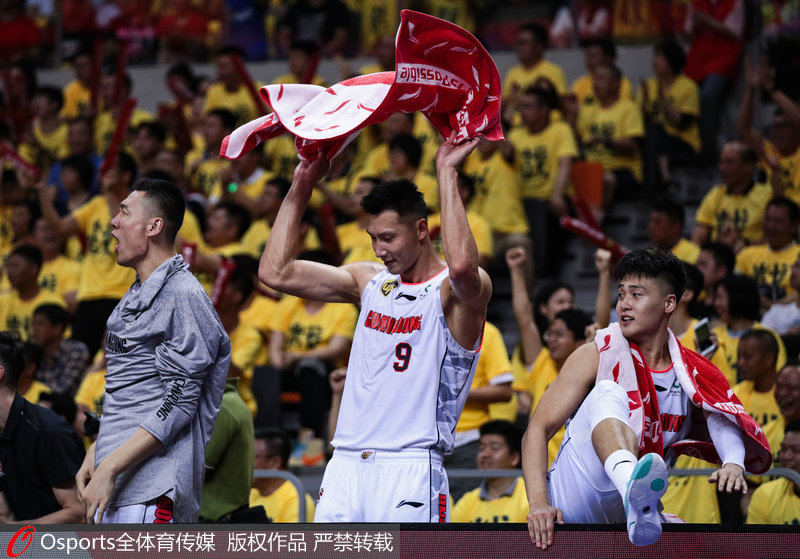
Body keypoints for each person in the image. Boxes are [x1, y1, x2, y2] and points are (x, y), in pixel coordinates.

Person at [258, 132, 491, 522]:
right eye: (372, 238)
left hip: (410, 464)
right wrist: (302, 182)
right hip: (346, 463)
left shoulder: (453, 292)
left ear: (421, 230)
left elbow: (465, 268)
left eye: (388, 238)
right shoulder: (368, 280)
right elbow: (274, 272)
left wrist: (446, 172)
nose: (379, 250)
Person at [522, 248, 771, 548]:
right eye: (621, 294)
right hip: (572, 494)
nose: (624, 305)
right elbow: (537, 429)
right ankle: (633, 490)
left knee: (688, 541)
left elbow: (719, 417)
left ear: (669, 303)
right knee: (608, 390)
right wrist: (538, 503)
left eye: (636, 295)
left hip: (628, 517)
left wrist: (733, 463)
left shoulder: (690, 372)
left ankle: (640, 505)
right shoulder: (597, 353)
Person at [75, 179, 231, 524]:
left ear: (154, 226)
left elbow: (179, 401)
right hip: (117, 483)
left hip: (153, 490)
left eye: (124, 212)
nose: (113, 223)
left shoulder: (183, 295)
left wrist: (110, 466)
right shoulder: (135, 295)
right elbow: (134, 394)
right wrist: (99, 451)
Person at [0, 331, 85, 523]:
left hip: (61, 548)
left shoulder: (49, 431)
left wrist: (12, 535)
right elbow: (4, 513)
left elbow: (77, 513)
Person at [692, 141, 772, 251]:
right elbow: (697, 239)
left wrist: (746, 243)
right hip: (718, 260)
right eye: (721, 162)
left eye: (730, 162)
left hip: (752, 259)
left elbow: (778, 239)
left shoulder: (767, 194)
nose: (722, 168)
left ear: (748, 166)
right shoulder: (715, 193)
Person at [451, 420, 528, 523]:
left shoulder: (528, 497)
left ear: (514, 458)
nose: (485, 454)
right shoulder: (468, 501)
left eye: (494, 448)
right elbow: (452, 537)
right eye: (481, 448)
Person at [735, 196, 800, 309]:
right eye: (768, 219)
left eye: (778, 221)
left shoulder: (798, 256)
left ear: (794, 226)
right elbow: (733, 288)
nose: (771, 226)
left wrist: (771, 305)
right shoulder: (746, 254)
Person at [250, 427, 316, 522]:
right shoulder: (251, 494)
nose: (244, 463)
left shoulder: (297, 501)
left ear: (275, 463)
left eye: (252, 456)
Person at [746, 419, 800, 524]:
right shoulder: (765, 495)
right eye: (783, 449)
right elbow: (758, 540)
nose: (787, 456)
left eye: (796, 450)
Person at [31, 303, 90, 396]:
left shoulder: (76, 351)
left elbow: (62, 390)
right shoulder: (33, 353)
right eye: (33, 324)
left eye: (40, 324)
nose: (34, 329)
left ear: (58, 328)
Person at [648, 197, 701, 264]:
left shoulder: (694, 255)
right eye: (650, 221)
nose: (651, 226)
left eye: (657, 222)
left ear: (676, 226)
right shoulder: (650, 253)